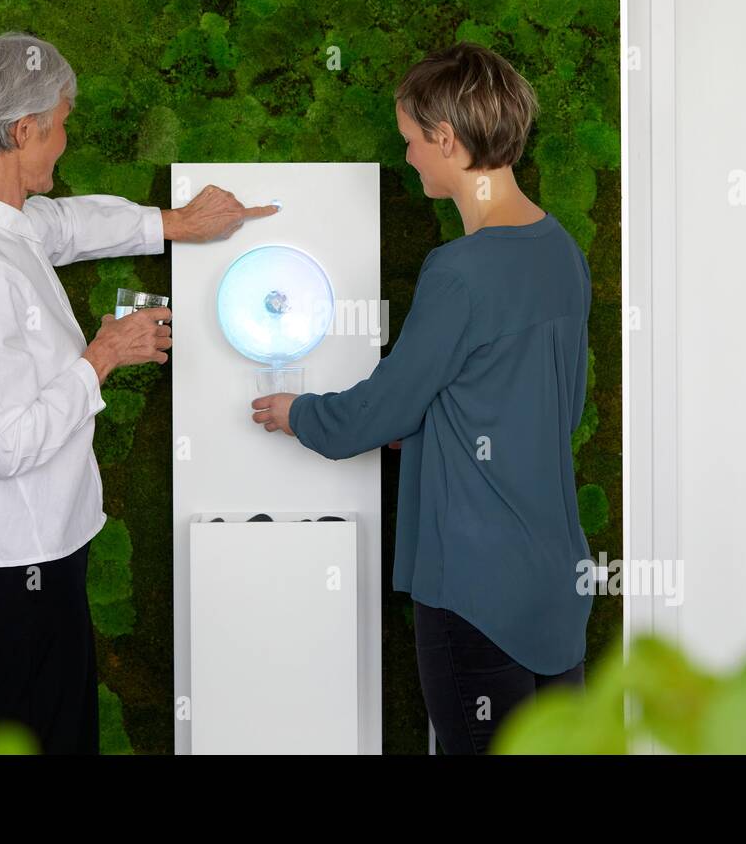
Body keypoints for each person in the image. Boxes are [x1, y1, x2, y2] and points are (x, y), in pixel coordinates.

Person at [0, 31, 276, 753]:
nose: (64, 141)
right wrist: (105, 355)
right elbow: (7, 443)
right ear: (25, 131)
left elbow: (65, 225)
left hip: (27, 555)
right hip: (18, 565)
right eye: (60, 124)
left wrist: (175, 225)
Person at [251, 42, 594, 754]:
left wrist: (297, 413)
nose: (408, 158)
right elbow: (545, 403)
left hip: (474, 585)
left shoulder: (459, 271)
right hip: (555, 578)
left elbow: (381, 410)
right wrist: (440, 429)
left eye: (410, 141)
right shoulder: (561, 251)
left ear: (448, 139)